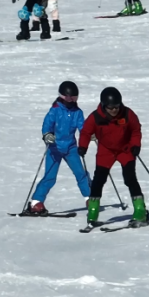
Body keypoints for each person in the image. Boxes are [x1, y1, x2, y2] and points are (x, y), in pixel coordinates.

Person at [79, 86, 148, 228]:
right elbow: (86, 132)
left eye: (116, 106)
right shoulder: (96, 117)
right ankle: (93, 211)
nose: (114, 110)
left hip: (125, 149)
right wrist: (83, 146)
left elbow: (136, 129)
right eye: (111, 107)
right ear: (104, 105)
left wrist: (136, 144)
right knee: (99, 180)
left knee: (130, 178)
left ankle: (140, 210)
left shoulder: (128, 114)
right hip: (106, 150)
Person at [26, 81, 91, 215]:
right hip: (54, 148)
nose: (71, 100)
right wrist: (47, 135)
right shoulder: (55, 110)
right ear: (62, 96)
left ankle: (90, 198)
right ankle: (36, 202)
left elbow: (83, 128)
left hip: (71, 148)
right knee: (50, 176)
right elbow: (47, 125)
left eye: (74, 97)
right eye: (68, 97)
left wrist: (90, 135)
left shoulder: (77, 112)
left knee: (81, 173)